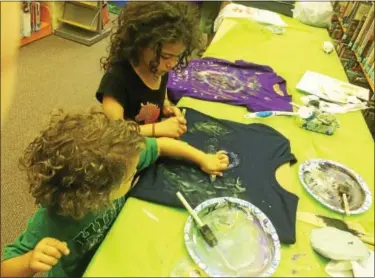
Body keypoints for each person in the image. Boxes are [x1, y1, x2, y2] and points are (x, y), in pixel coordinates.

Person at [0, 106, 229, 277]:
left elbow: (160, 145)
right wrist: (30, 261)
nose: (135, 170)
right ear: (97, 193)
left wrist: (203, 158)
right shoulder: (54, 220)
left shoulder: (120, 156)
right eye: (130, 177)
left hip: (119, 245)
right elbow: (6, 267)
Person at [96, 1, 202, 139]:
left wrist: (166, 108)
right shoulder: (116, 79)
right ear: (140, 44)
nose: (172, 64)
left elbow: (158, 98)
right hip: (126, 150)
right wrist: (157, 129)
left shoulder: (159, 68)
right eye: (165, 56)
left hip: (150, 144)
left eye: (178, 57)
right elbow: (114, 134)